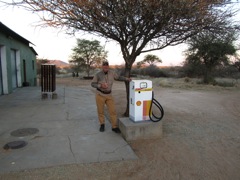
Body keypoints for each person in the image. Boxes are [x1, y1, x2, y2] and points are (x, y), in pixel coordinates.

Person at [91, 61, 131, 133]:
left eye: (107, 65)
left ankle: (114, 127)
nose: (106, 66)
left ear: (108, 66)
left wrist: (126, 79)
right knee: (100, 111)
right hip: (100, 94)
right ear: (102, 66)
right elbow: (93, 84)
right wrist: (100, 85)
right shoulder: (98, 74)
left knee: (113, 111)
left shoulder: (112, 73)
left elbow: (118, 77)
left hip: (109, 95)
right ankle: (102, 125)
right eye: (104, 65)